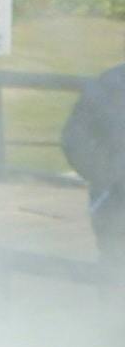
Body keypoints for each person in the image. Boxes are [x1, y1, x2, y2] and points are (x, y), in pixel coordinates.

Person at [66, 65, 125, 258]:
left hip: (110, 205)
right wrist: (110, 180)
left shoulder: (107, 82)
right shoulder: (109, 85)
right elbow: (75, 139)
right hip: (115, 210)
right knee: (115, 271)